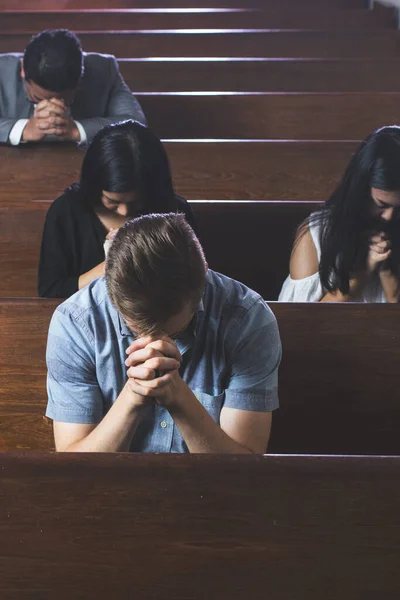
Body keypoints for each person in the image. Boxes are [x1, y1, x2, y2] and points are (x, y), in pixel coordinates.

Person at [45, 213, 281, 454]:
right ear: (110, 289)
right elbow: (76, 467)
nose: (156, 343)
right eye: (136, 329)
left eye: (174, 331)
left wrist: (179, 398)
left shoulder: (247, 319)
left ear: (203, 279)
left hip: (209, 489)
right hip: (110, 490)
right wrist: (133, 396)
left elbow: (245, 469)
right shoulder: (75, 322)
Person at [38, 120, 198, 298]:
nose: (124, 211)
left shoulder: (173, 210)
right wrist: (112, 266)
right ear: (95, 186)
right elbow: (51, 291)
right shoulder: (66, 212)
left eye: (137, 201)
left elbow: (195, 282)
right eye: (111, 200)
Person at [279, 126, 400, 303]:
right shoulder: (317, 235)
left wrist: (387, 271)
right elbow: (299, 322)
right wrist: (362, 275)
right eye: (380, 204)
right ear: (360, 191)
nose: (389, 217)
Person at [0, 29, 146, 146]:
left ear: (81, 76)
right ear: (23, 70)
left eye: (63, 99)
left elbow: (136, 123)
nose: (52, 108)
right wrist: (24, 129)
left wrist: (77, 130)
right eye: (37, 98)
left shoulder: (104, 69)